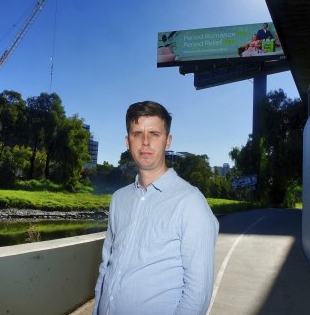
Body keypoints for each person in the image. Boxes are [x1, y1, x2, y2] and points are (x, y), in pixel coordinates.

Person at [94, 101, 219, 315]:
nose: (145, 142)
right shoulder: (119, 199)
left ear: (168, 141)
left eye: (154, 133)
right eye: (137, 133)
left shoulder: (191, 203)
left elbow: (197, 295)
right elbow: (106, 266)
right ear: (127, 141)